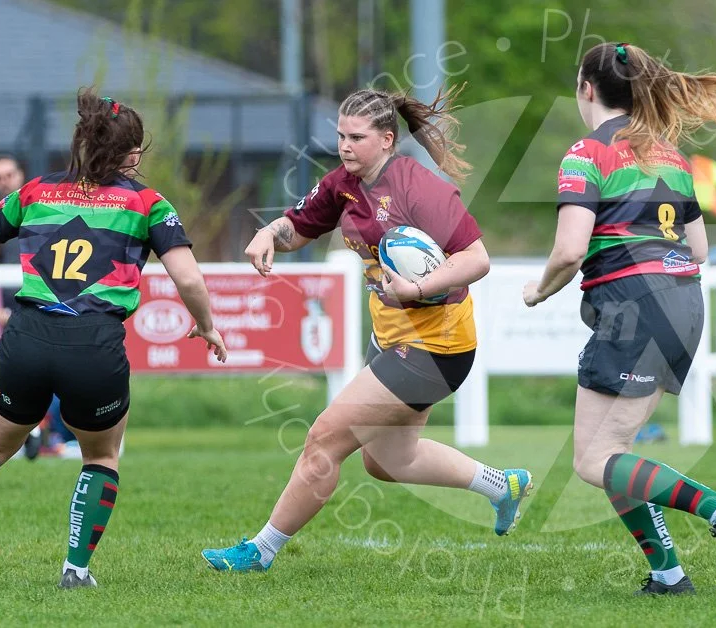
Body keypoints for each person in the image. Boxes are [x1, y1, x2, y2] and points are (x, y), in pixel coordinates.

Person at [0, 89, 227, 589]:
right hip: (93, 344)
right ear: (133, 155)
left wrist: (10, 218)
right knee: (100, 456)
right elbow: (187, 279)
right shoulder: (147, 203)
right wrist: (206, 326)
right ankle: (75, 569)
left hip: (27, 336)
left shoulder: (35, 191)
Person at [203, 85, 533, 573]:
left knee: (324, 439)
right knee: (388, 461)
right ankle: (502, 485)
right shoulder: (343, 183)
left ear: (386, 140)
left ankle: (261, 549)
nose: (344, 146)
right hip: (391, 340)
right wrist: (268, 233)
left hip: (435, 345)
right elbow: (300, 227)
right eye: (340, 136)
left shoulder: (419, 188)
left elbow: (477, 258)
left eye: (356, 137)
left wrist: (418, 290)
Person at [523, 42, 716, 596]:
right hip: (683, 301)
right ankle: (668, 575)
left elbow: (568, 250)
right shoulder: (671, 156)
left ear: (586, 88)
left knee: (593, 458)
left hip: (636, 306)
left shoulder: (586, 152)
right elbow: (698, 248)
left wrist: (538, 292)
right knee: (609, 456)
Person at [0, 155, 26, 310]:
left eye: (9, 175)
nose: (4, 182)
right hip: (2, 299)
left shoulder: (38, 208)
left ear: (20, 175)